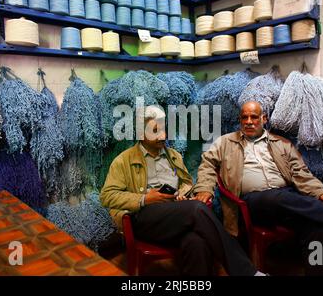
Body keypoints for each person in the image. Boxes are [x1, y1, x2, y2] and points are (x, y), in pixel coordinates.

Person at [193, 101, 323, 276]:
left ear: (264, 119)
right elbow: (207, 164)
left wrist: (321, 192)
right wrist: (204, 189)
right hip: (252, 203)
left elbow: (301, 173)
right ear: (240, 120)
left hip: (289, 201)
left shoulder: (281, 144)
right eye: (244, 117)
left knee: (316, 226)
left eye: (254, 117)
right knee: (277, 197)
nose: (249, 122)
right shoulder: (226, 142)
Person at [100, 106, 263, 276]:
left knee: (196, 241)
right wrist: (145, 198)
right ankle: (247, 273)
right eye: (155, 131)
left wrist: (184, 196)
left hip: (175, 217)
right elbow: (107, 196)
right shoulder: (123, 161)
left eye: (164, 129)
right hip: (144, 220)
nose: (163, 136)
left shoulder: (174, 156)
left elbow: (186, 185)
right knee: (196, 210)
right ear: (141, 134)